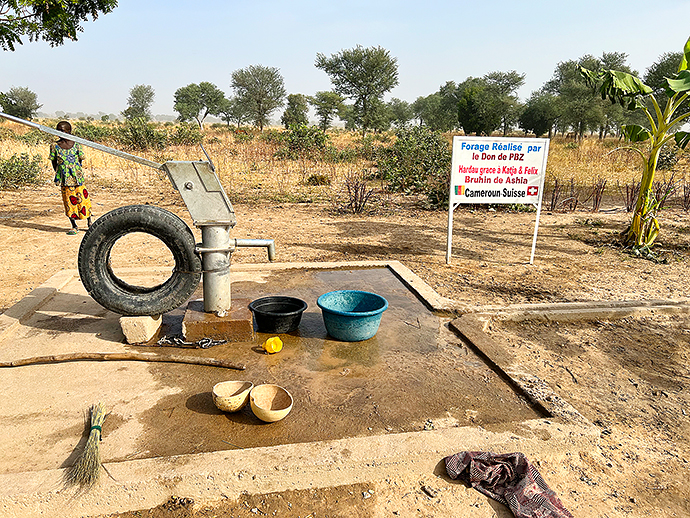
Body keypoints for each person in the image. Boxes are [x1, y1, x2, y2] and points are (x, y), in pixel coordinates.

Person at [49, 121, 93, 235]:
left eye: (62, 130)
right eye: (58, 130)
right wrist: (60, 172)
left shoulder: (77, 144)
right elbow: (54, 162)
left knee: (83, 199)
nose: (59, 133)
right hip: (64, 178)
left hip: (77, 177)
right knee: (69, 202)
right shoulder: (55, 146)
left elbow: (81, 159)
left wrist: (75, 170)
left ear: (69, 131)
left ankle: (90, 223)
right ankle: (74, 226)